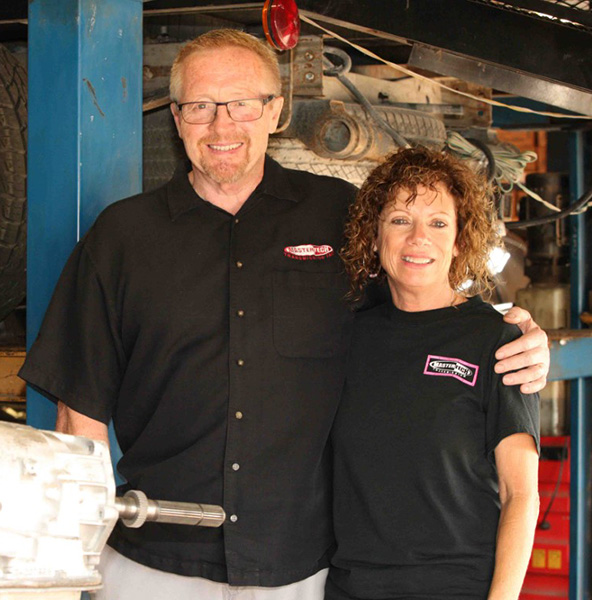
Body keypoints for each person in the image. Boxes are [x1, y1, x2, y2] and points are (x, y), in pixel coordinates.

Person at [19, 30, 548, 600]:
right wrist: (75, 557)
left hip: (299, 572)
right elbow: (79, 413)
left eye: (243, 103)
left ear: (275, 111)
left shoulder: (336, 216)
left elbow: (420, 295)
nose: (222, 126)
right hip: (151, 565)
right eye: (200, 106)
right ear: (176, 118)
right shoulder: (123, 237)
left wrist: (513, 332)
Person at [327, 147, 540, 600]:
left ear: (460, 239)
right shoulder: (348, 336)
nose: (418, 237)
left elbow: (520, 493)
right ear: (376, 233)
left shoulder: (497, 341)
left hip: (455, 587)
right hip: (352, 587)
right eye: (400, 220)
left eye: (439, 223)